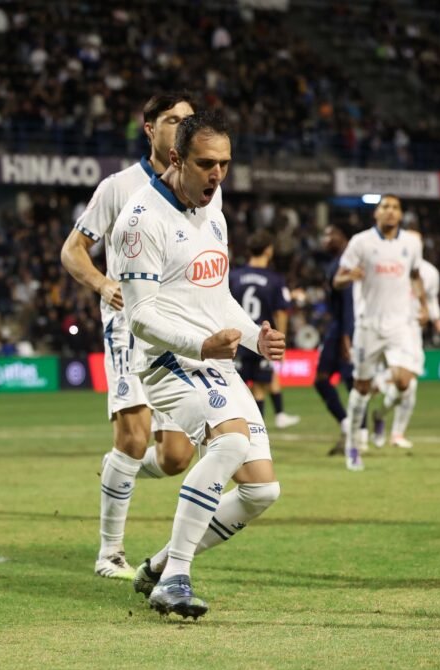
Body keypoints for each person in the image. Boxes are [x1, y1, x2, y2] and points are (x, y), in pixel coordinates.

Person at [113, 110, 284, 618]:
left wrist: (255, 336)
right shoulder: (140, 222)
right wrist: (202, 344)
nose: (217, 176)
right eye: (206, 164)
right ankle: (177, 579)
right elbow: (140, 315)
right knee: (229, 441)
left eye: (225, 165)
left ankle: (160, 565)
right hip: (168, 359)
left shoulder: (214, 207)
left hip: (210, 358)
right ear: (175, 159)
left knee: (261, 490)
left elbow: (216, 292)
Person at [61, 92, 211, 579]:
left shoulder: (204, 190)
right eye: (173, 120)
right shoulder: (118, 187)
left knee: (174, 458)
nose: (182, 127)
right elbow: (72, 251)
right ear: (150, 129)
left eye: (189, 120)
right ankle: (110, 553)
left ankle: (116, 472)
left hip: (180, 329)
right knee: (133, 435)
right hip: (129, 325)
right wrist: (103, 283)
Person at [333, 195, 426, 471]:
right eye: (385, 207)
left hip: (400, 325)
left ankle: (380, 415)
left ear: (401, 215)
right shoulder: (361, 242)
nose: (390, 212)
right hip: (368, 325)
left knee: (404, 381)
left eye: (395, 208)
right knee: (361, 387)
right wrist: (349, 276)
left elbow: (416, 275)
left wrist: (421, 304)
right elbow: (337, 279)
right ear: (376, 214)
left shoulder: (412, 243)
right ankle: (352, 445)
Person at [229, 231, 300, 429]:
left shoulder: (234, 276)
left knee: (236, 387)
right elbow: (281, 312)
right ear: (269, 250)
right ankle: (256, 430)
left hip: (238, 338)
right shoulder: (275, 280)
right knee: (260, 387)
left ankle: (234, 428)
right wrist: (281, 342)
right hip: (263, 338)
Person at [371, 256, 440, 449]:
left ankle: (391, 427)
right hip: (386, 329)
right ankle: (360, 431)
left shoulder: (430, 272)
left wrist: (436, 318)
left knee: (408, 386)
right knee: (390, 381)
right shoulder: (388, 266)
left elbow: (430, 298)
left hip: (412, 332)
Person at [313, 224, 356, 455]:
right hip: (337, 327)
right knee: (321, 380)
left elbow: (350, 302)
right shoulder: (334, 263)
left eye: (330, 235)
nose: (325, 239)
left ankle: (359, 434)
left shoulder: (346, 263)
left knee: (352, 381)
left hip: (347, 328)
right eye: (324, 235)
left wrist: (347, 336)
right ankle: (348, 424)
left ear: (343, 237)